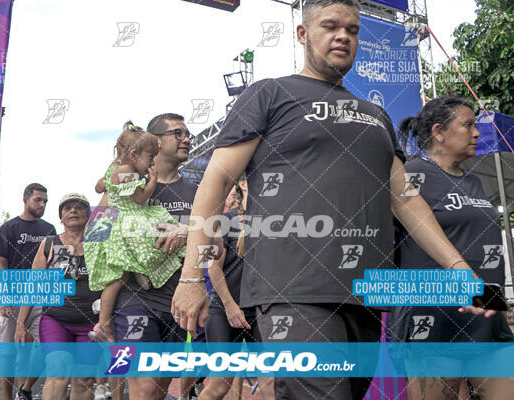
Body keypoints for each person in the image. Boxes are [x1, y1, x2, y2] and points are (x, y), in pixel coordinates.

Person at [171, 1, 494, 399]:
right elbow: (216, 181)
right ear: (303, 34)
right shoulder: (270, 93)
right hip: (294, 290)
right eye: (330, 26)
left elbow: (406, 200)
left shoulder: (376, 114)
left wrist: (459, 267)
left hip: (365, 296)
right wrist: (190, 277)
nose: (343, 35)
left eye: (353, 30)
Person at [391, 96, 514, 399]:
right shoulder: (409, 175)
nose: (477, 133)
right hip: (431, 319)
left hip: (486, 318)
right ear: (438, 131)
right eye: (468, 125)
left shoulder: (474, 182)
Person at [109, 113, 204, 400]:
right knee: (144, 387)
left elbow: (218, 240)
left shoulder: (197, 190)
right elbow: (97, 230)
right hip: (135, 298)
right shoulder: (126, 182)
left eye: (188, 133)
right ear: (156, 141)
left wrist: (187, 231)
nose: (187, 139)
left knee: (160, 388)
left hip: (178, 302)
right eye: (178, 133)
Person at [84, 121, 186, 343]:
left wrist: (106, 186)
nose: (151, 162)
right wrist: (152, 181)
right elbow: (140, 198)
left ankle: (136, 273)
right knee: (121, 273)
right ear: (133, 153)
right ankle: (104, 323)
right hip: (124, 223)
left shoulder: (118, 168)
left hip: (121, 221)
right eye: (150, 157)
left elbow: (99, 185)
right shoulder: (128, 173)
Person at [15, 193, 100, 400]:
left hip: (91, 322)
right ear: (61, 217)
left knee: (84, 379)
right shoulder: (49, 244)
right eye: (67, 208)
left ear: (88, 215)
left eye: (79, 207)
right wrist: (20, 324)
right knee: (58, 372)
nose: (73, 211)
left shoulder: (99, 243)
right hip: (56, 319)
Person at [200, 181, 274, 400]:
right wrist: (230, 306)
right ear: (243, 182)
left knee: (270, 384)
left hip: (259, 312)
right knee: (219, 386)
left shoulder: (274, 219)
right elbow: (213, 266)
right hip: (224, 311)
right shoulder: (227, 219)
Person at [0, 182, 56, 400]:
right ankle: (6, 397)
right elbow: (1, 263)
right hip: (12, 296)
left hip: (40, 297)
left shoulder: (49, 230)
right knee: (8, 352)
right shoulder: (9, 228)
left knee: (45, 347)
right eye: (37, 200)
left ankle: (25, 390)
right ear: (25, 199)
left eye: (45, 201)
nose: (42, 204)